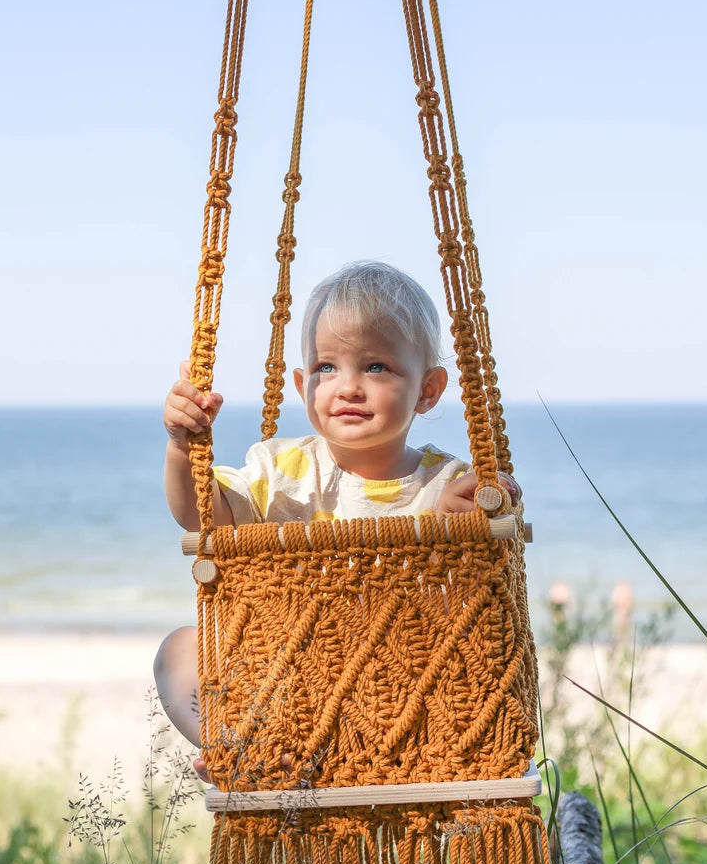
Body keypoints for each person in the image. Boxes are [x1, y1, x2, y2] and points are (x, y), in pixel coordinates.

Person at [155, 261, 520, 769]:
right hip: (291, 690)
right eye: (327, 368)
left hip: (400, 689)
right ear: (303, 383)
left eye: (376, 367)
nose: (348, 386)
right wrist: (182, 446)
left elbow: (478, 578)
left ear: (429, 389)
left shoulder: (443, 483)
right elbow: (200, 516)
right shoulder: (279, 471)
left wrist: (477, 508)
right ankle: (237, 746)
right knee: (179, 649)